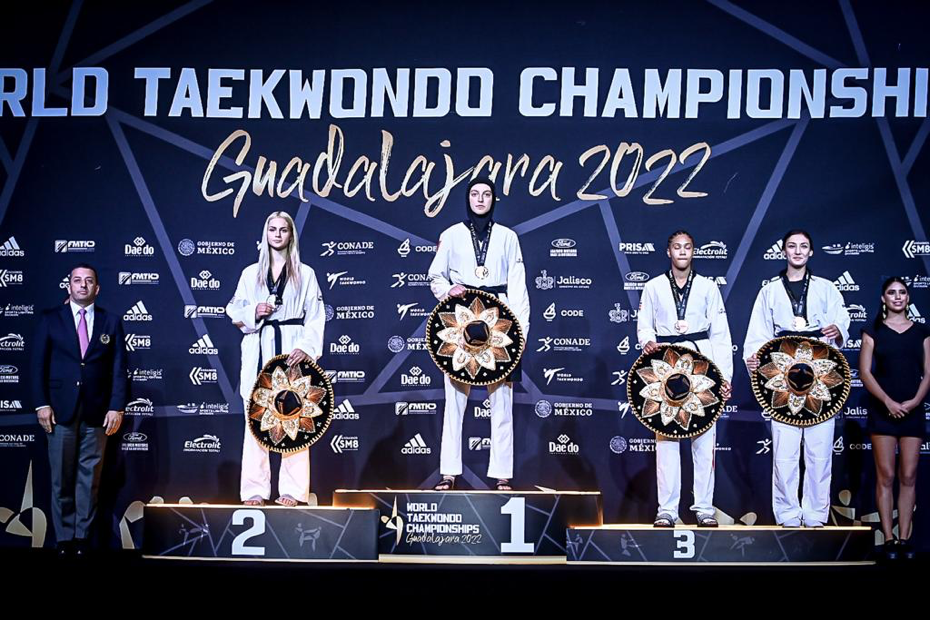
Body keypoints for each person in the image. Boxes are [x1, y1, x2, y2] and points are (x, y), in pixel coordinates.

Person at [428, 177, 530, 491]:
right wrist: (447, 290)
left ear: (493, 199)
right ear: (468, 199)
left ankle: (502, 475)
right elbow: (435, 276)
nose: (480, 199)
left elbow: (518, 285)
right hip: (460, 322)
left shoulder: (508, 236)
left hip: (499, 321)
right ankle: (448, 473)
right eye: (475, 194)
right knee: (454, 400)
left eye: (486, 194)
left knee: (501, 401)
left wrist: (521, 333)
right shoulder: (451, 235)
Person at [744, 229, 850, 527]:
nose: (798, 251)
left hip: (821, 375)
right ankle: (788, 514)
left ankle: (816, 514)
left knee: (819, 450)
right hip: (782, 375)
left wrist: (838, 329)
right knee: (785, 452)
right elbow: (758, 332)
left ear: (811, 252)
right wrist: (754, 358)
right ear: (784, 252)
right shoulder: (769, 291)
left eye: (804, 246)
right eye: (792, 246)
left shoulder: (827, 288)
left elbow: (842, 319)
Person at [226, 211, 325, 507]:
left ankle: (293, 490)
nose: (278, 234)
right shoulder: (250, 274)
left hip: (291, 348)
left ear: (291, 235)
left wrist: (306, 347)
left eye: (283, 229)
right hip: (259, 346)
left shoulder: (305, 273)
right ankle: (254, 490)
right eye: (273, 229)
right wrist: (254, 311)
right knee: (256, 420)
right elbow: (234, 311)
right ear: (265, 233)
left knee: (294, 417)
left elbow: (316, 316)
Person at [637, 231, 733, 527]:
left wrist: (724, 376)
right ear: (669, 252)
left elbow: (720, 333)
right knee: (666, 438)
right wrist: (647, 342)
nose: (682, 252)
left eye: (687, 247)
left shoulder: (707, 287)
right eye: (677, 247)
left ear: (693, 252)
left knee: (704, 440)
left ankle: (704, 508)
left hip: (701, 363)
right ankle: (667, 509)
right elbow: (644, 325)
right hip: (665, 364)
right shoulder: (653, 286)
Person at [31, 264, 128, 555]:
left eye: (88, 281)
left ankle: (82, 538)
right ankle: (64, 538)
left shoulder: (111, 321)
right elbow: (37, 365)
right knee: (61, 479)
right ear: (69, 286)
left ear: (97, 288)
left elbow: (119, 369)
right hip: (60, 412)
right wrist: (42, 403)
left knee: (90, 480)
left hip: (97, 412)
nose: (82, 285)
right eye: (77, 280)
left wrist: (116, 407)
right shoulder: (51, 319)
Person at [859, 277, 929, 560]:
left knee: (909, 475)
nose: (897, 297)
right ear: (883, 298)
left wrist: (915, 402)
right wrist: (887, 401)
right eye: (892, 292)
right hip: (882, 410)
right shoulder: (872, 330)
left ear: (908, 298)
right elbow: (865, 372)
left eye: (902, 292)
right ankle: (888, 538)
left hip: (912, 410)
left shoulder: (922, 332)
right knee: (886, 475)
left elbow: (929, 372)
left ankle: (905, 538)